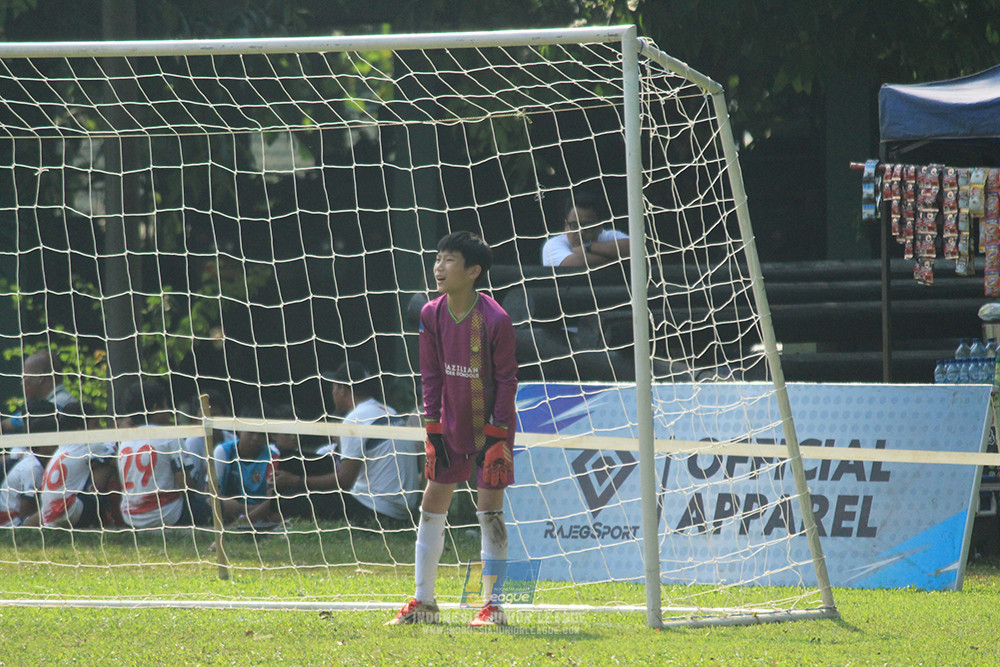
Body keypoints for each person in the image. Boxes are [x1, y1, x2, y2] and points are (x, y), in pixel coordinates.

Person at [387, 231, 518, 628]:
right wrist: (433, 428)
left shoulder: (496, 319)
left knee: (489, 512)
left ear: (473, 271)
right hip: (449, 427)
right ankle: (424, 602)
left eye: (449, 260)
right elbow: (430, 374)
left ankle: (492, 606)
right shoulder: (431, 313)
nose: (439, 267)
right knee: (431, 507)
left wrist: (497, 436)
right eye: (438, 259)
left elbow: (507, 380)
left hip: (491, 429)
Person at [273, 362, 421, 525]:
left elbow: (345, 480)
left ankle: (274, 523)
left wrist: (295, 480)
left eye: (334, 387)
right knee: (300, 463)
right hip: (402, 509)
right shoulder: (388, 411)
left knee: (289, 499)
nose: (332, 392)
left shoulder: (355, 419)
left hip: (376, 509)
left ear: (342, 390)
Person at [117, 379, 208, 528]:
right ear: (155, 408)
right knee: (216, 507)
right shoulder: (169, 436)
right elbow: (186, 486)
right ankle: (245, 512)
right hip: (167, 514)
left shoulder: (125, 442)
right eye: (165, 406)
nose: (169, 411)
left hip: (131, 517)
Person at [213, 405, 281, 527]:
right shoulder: (223, 451)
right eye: (251, 432)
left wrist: (243, 518)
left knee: (278, 512)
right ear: (239, 429)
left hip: (259, 511)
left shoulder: (273, 457)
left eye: (261, 434)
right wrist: (236, 507)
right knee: (212, 503)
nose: (255, 438)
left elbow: (271, 501)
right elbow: (210, 491)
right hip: (230, 507)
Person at [541, 191, 629, 268]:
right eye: (574, 225)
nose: (581, 232)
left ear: (599, 227)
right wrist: (619, 259)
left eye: (588, 226)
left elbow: (632, 248)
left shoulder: (608, 236)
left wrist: (588, 247)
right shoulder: (553, 245)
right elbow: (577, 263)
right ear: (566, 226)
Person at [1, 350, 74, 435]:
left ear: (40, 377)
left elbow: (9, 424)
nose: (22, 383)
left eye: (25, 376)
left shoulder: (60, 403)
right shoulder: (54, 401)